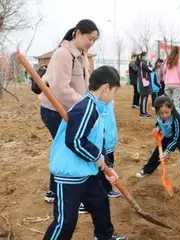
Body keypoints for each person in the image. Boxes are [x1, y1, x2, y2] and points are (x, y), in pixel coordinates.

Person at [43, 66, 127, 240]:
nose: (113, 96)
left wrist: (107, 167)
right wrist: (97, 158)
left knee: (100, 202)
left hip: (86, 171)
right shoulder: (86, 108)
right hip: (70, 174)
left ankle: (104, 236)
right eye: (114, 91)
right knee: (66, 221)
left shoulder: (97, 108)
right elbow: (74, 141)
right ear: (106, 87)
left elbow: (97, 141)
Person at [39, 19, 99, 204]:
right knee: (69, 149)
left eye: (94, 40)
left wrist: (89, 102)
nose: (91, 43)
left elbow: (83, 86)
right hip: (54, 110)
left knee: (63, 148)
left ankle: (53, 190)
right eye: (89, 38)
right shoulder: (63, 54)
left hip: (71, 109)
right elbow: (60, 89)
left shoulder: (81, 55)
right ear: (78, 33)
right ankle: (68, 195)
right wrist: (85, 106)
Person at [135, 95, 180, 192]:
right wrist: (158, 128)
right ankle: (147, 169)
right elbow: (159, 122)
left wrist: (168, 151)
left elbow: (177, 137)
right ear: (157, 111)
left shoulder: (178, 118)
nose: (164, 115)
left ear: (171, 108)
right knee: (158, 152)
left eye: (167, 112)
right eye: (161, 113)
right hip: (170, 132)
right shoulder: (159, 115)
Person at [99, 100, 122, 198]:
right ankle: (104, 189)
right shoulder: (97, 104)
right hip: (101, 142)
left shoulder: (110, 101)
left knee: (109, 165)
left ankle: (107, 189)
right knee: (101, 168)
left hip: (110, 140)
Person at [137, 52, 153, 119]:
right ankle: (142, 113)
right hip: (143, 82)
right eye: (146, 56)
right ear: (143, 56)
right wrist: (151, 65)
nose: (147, 57)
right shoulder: (142, 63)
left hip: (144, 82)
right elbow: (150, 70)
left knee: (145, 97)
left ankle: (144, 112)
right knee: (144, 97)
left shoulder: (143, 63)